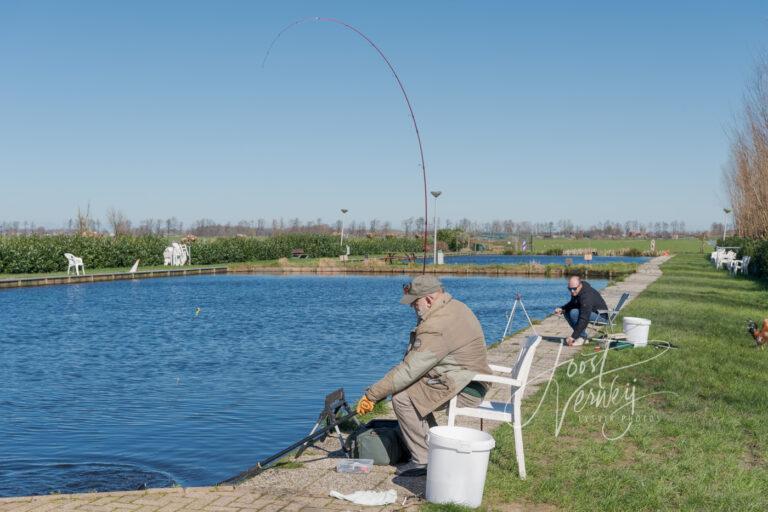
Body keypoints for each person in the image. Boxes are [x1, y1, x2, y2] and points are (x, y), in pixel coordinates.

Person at [356, 274, 492, 477]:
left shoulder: (436, 326)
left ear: (429, 299)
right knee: (409, 391)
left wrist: (372, 395)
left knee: (403, 399)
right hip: (468, 377)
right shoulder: (454, 306)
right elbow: (413, 367)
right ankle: (435, 449)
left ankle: (424, 460)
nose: (412, 307)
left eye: (414, 302)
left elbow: (409, 370)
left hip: (466, 386)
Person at [554, 275, 608, 346]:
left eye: (574, 288)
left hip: (602, 317)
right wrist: (562, 309)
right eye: (569, 289)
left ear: (579, 285)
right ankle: (581, 336)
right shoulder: (577, 291)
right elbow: (572, 303)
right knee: (566, 312)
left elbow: (584, 318)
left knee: (574, 313)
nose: (572, 291)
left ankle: (582, 337)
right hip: (590, 313)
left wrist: (573, 336)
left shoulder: (587, 296)